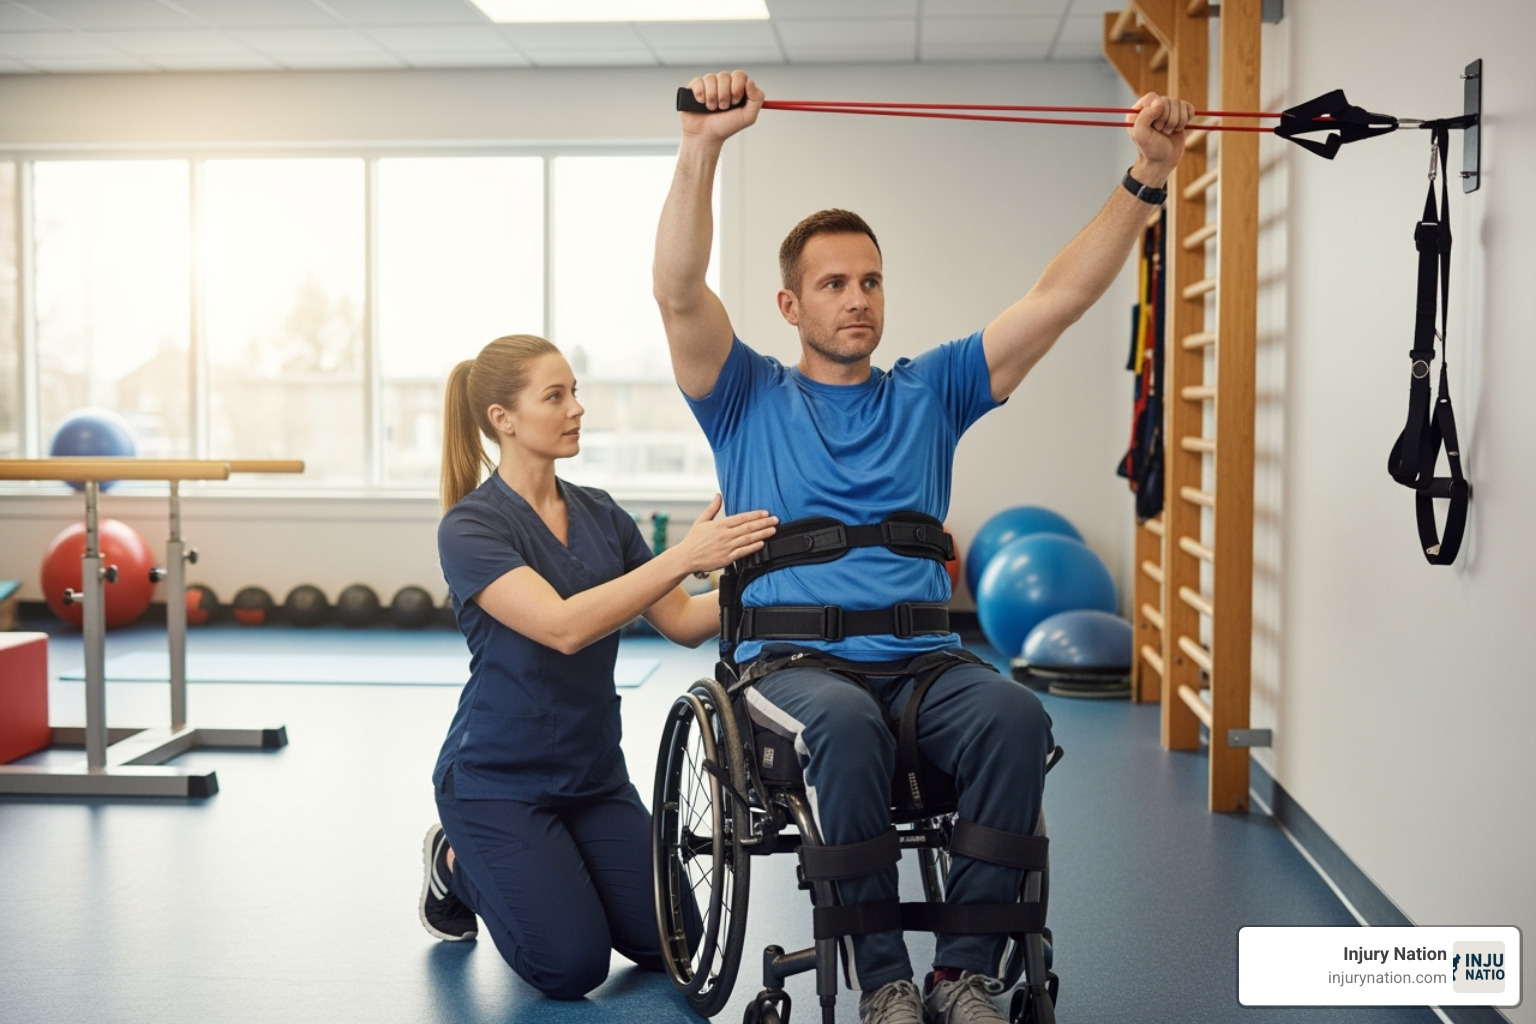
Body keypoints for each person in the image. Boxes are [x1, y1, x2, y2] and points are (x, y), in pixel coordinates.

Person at [653, 71, 1193, 1024]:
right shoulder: (744, 395)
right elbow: (677, 288)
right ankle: (886, 981)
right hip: (790, 667)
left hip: (924, 664)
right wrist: (702, 149)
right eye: (832, 284)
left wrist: (1146, 174)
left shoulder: (933, 391)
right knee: (845, 728)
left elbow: (1059, 298)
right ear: (789, 305)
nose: (856, 300)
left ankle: (964, 974)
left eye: (870, 281)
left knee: (1016, 718)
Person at [419, 333, 778, 1000]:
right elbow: (563, 627)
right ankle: (454, 860)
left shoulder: (601, 513)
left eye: (575, 391)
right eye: (555, 396)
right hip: (498, 780)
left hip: (593, 778)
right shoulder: (470, 528)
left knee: (674, 941)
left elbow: (681, 621)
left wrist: (772, 581)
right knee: (571, 967)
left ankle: (555, 862)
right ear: (504, 419)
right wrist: (682, 555)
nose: (577, 408)